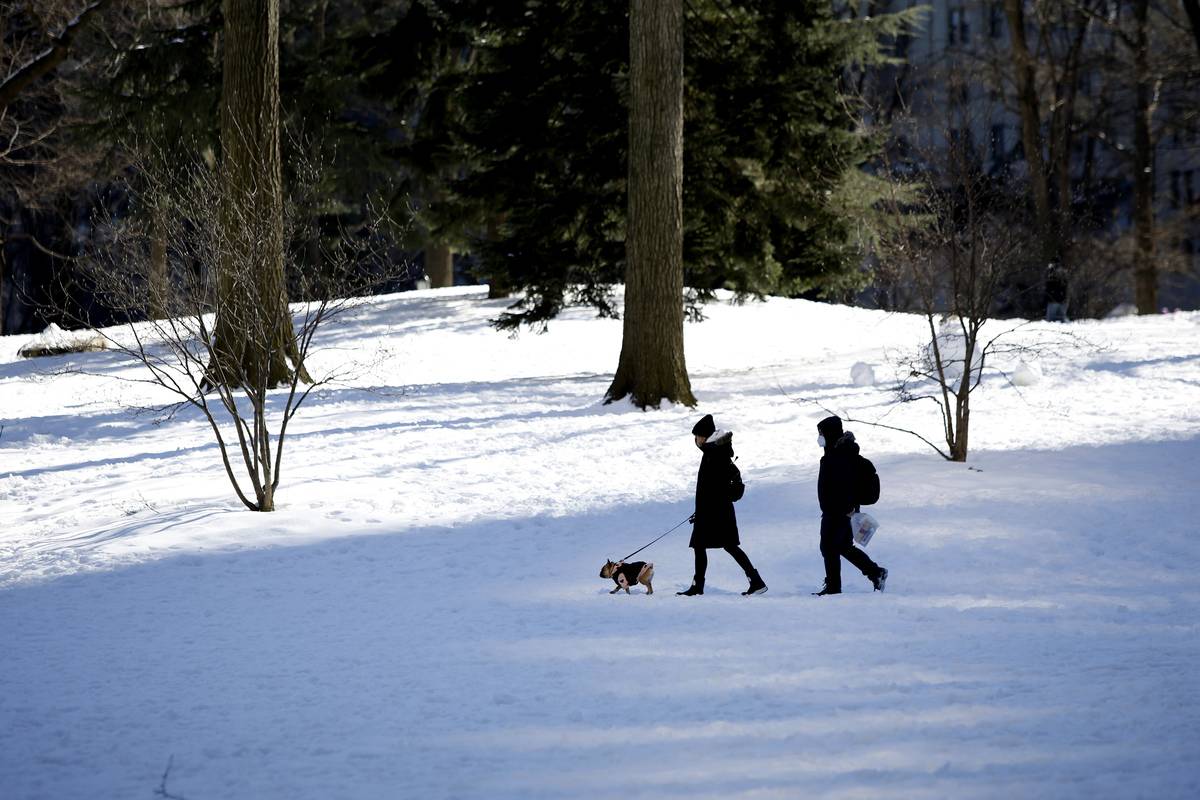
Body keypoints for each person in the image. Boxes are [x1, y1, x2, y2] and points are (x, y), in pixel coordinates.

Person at [677, 414, 767, 597]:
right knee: (706, 546)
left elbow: (722, 486)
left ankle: (754, 582)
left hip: (717, 514)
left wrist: (710, 507)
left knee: (722, 546)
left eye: (697, 437)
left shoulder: (716, 455)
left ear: (705, 437)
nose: (696, 441)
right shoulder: (712, 453)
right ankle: (753, 581)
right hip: (711, 512)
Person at [813, 415, 887, 596]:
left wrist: (846, 508)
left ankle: (833, 587)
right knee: (842, 547)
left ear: (829, 434)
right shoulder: (835, 453)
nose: (819, 437)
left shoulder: (840, 456)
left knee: (829, 547)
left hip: (839, 511)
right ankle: (876, 572)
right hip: (838, 510)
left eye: (821, 433)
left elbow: (844, 485)